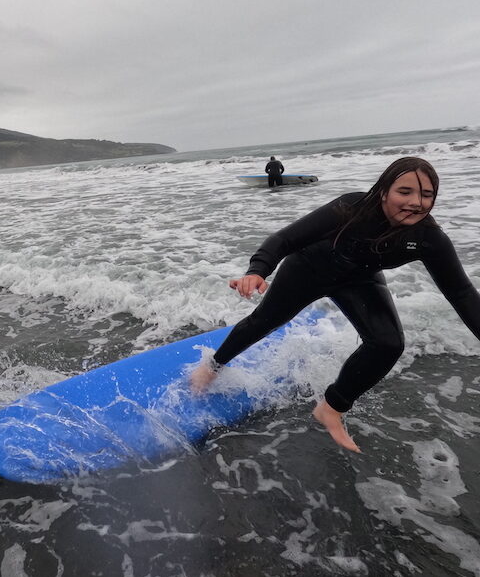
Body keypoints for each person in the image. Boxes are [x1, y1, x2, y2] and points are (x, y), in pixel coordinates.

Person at [189, 157, 480, 453]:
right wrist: (257, 271)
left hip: (359, 279)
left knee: (388, 343)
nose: (416, 202)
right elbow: (286, 238)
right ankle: (212, 365)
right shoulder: (351, 209)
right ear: (383, 191)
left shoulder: (429, 238)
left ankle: (331, 408)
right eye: (404, 192)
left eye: (427, 195)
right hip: (309, 269)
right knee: (265, 321)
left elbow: (462, 294)